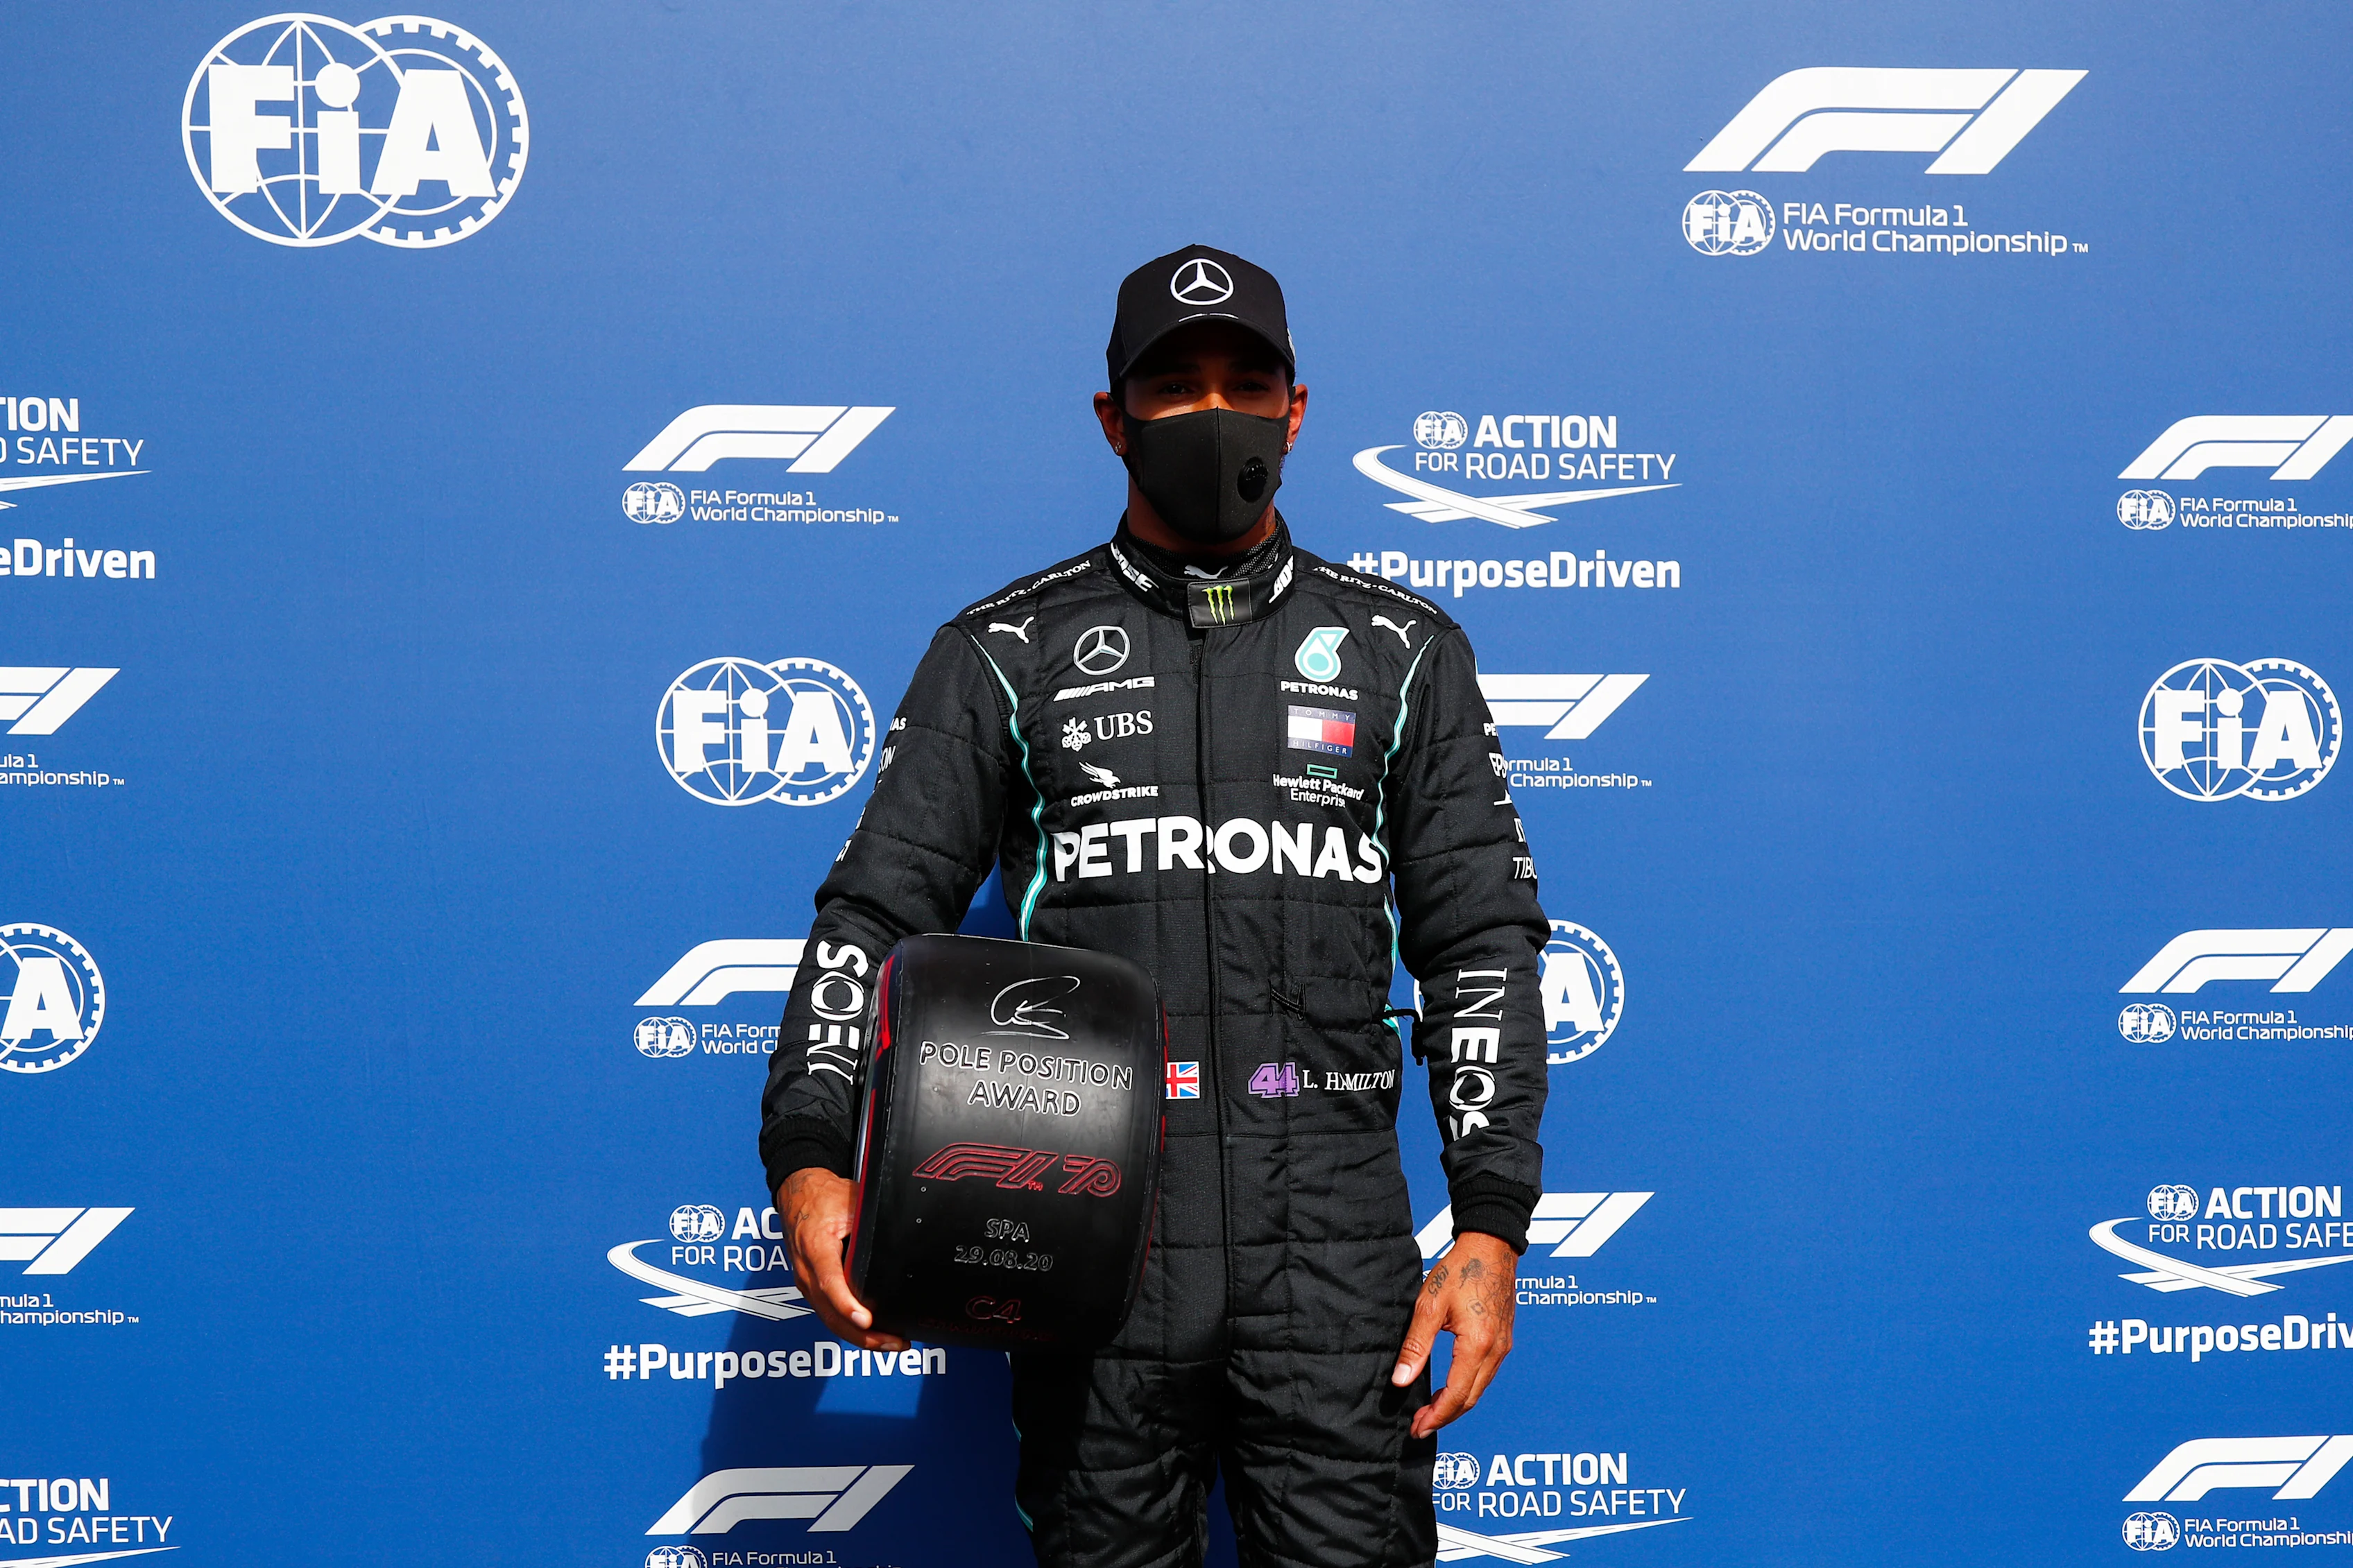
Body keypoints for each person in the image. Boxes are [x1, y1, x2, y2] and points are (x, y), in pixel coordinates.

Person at [762, 244, 1550, 1567]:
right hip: (1082, 1253)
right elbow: (874, 922)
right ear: (1112, 416)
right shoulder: (1006, 653)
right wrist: (809, 1150)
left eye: (1248, 383)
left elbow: (1479, 943)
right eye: (1174, 386)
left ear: (1298, 410)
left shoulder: (1404, 652)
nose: (1214, 414)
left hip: (1338, 1270)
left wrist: (1490, 1227)